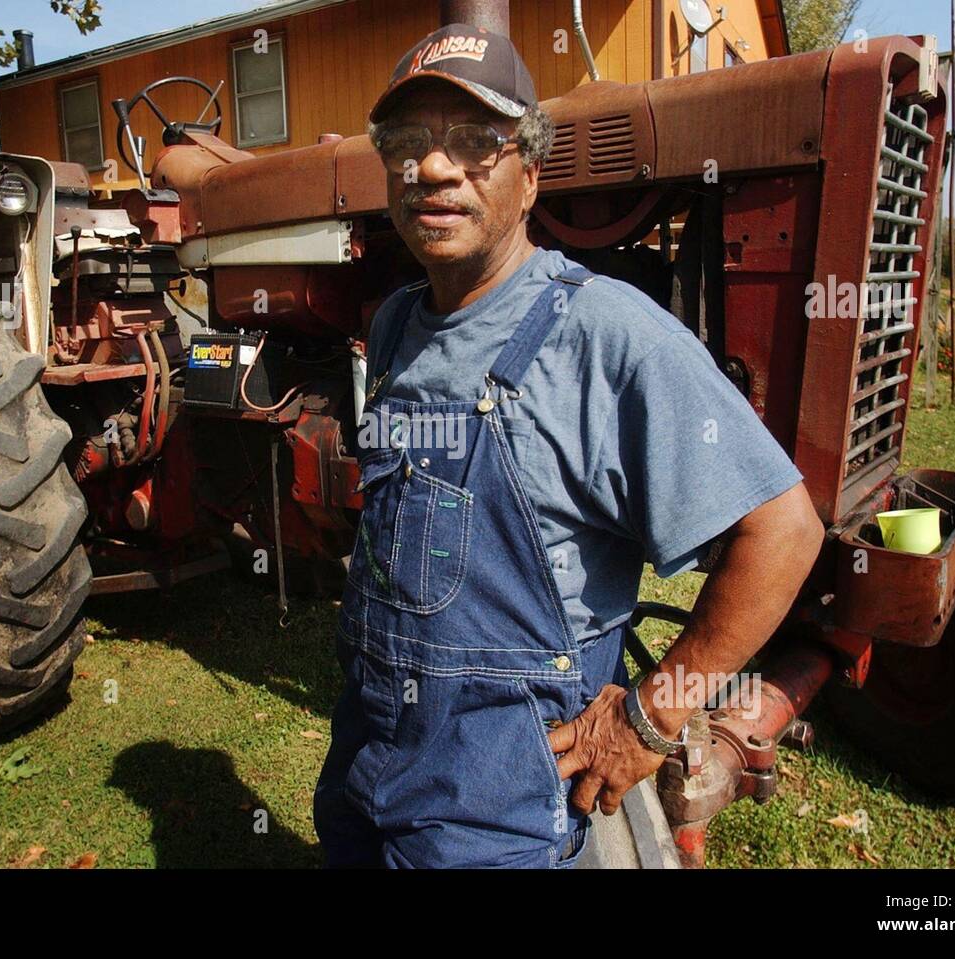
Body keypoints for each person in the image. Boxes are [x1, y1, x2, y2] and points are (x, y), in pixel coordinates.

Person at [313, 22, 823, 868]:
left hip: (494, 809)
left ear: (532, 175)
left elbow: (786, 530)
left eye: (476, 143)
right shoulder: (399, 319)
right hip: (366, 763)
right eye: (407, 145)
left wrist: (655, 713)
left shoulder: (605, 334)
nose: (435, 169)